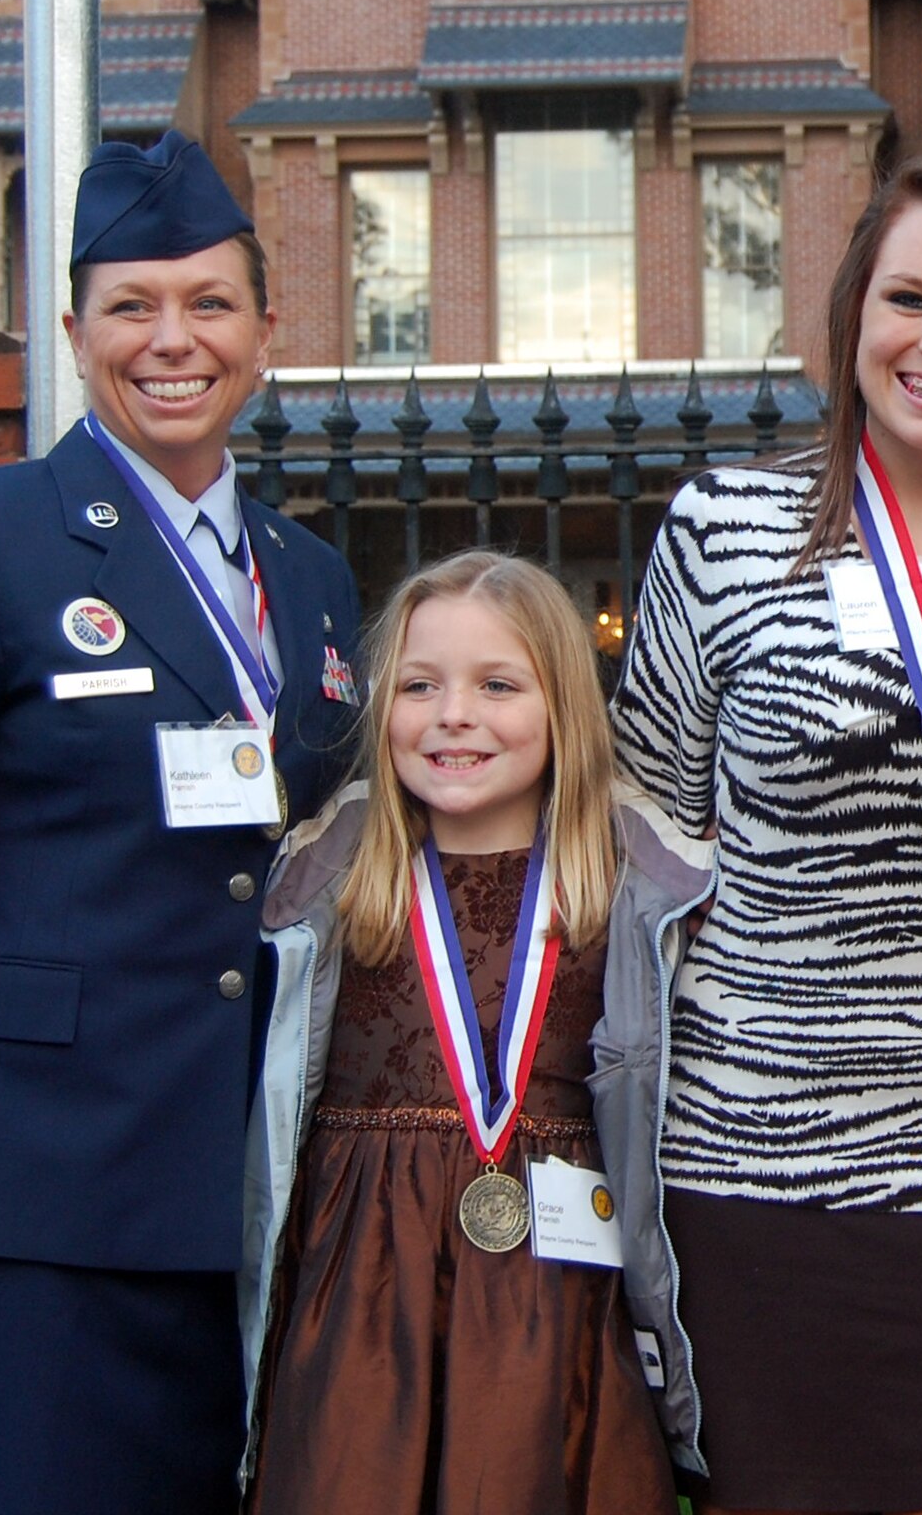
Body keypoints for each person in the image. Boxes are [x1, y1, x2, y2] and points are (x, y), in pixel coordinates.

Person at [0, 131, 362, 1515]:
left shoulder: (318, 579)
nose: (174, 340)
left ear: (266, 330)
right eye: (132, 306)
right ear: (74, 328)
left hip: (245, 1215)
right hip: (21, 1225)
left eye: (210, 304)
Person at [608, 153, 922, 1514]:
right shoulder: (724, 529)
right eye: (910, 298)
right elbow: (639, 853)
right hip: (749, 1162)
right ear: (851, 315)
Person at [240, 552, 674, 1515]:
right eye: (420, 686)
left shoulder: (634, 888)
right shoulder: (331, 879)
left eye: (498, 686)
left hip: (561, 1300)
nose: (454, 716)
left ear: (562, 702)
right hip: (363, 1295)